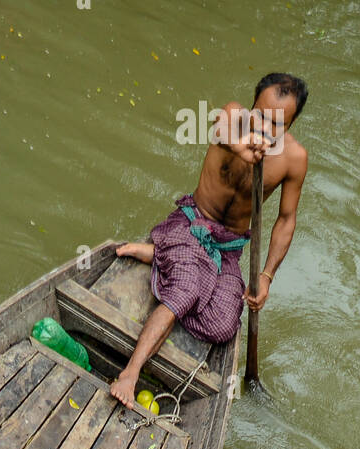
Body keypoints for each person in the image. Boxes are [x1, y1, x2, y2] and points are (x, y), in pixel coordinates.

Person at [109, 73, 309, 407]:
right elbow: (219, 129)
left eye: (277, 124)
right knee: (187, 288)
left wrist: (266, 276)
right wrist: (242, 149)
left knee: (223, 324)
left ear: (290, 124)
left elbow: (286, 220)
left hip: (228, 248)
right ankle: (129, 373)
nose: (264, 127)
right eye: (260, 115)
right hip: (191, 224)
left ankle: (159, 256)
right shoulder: (233, 117)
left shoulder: (294, 159)